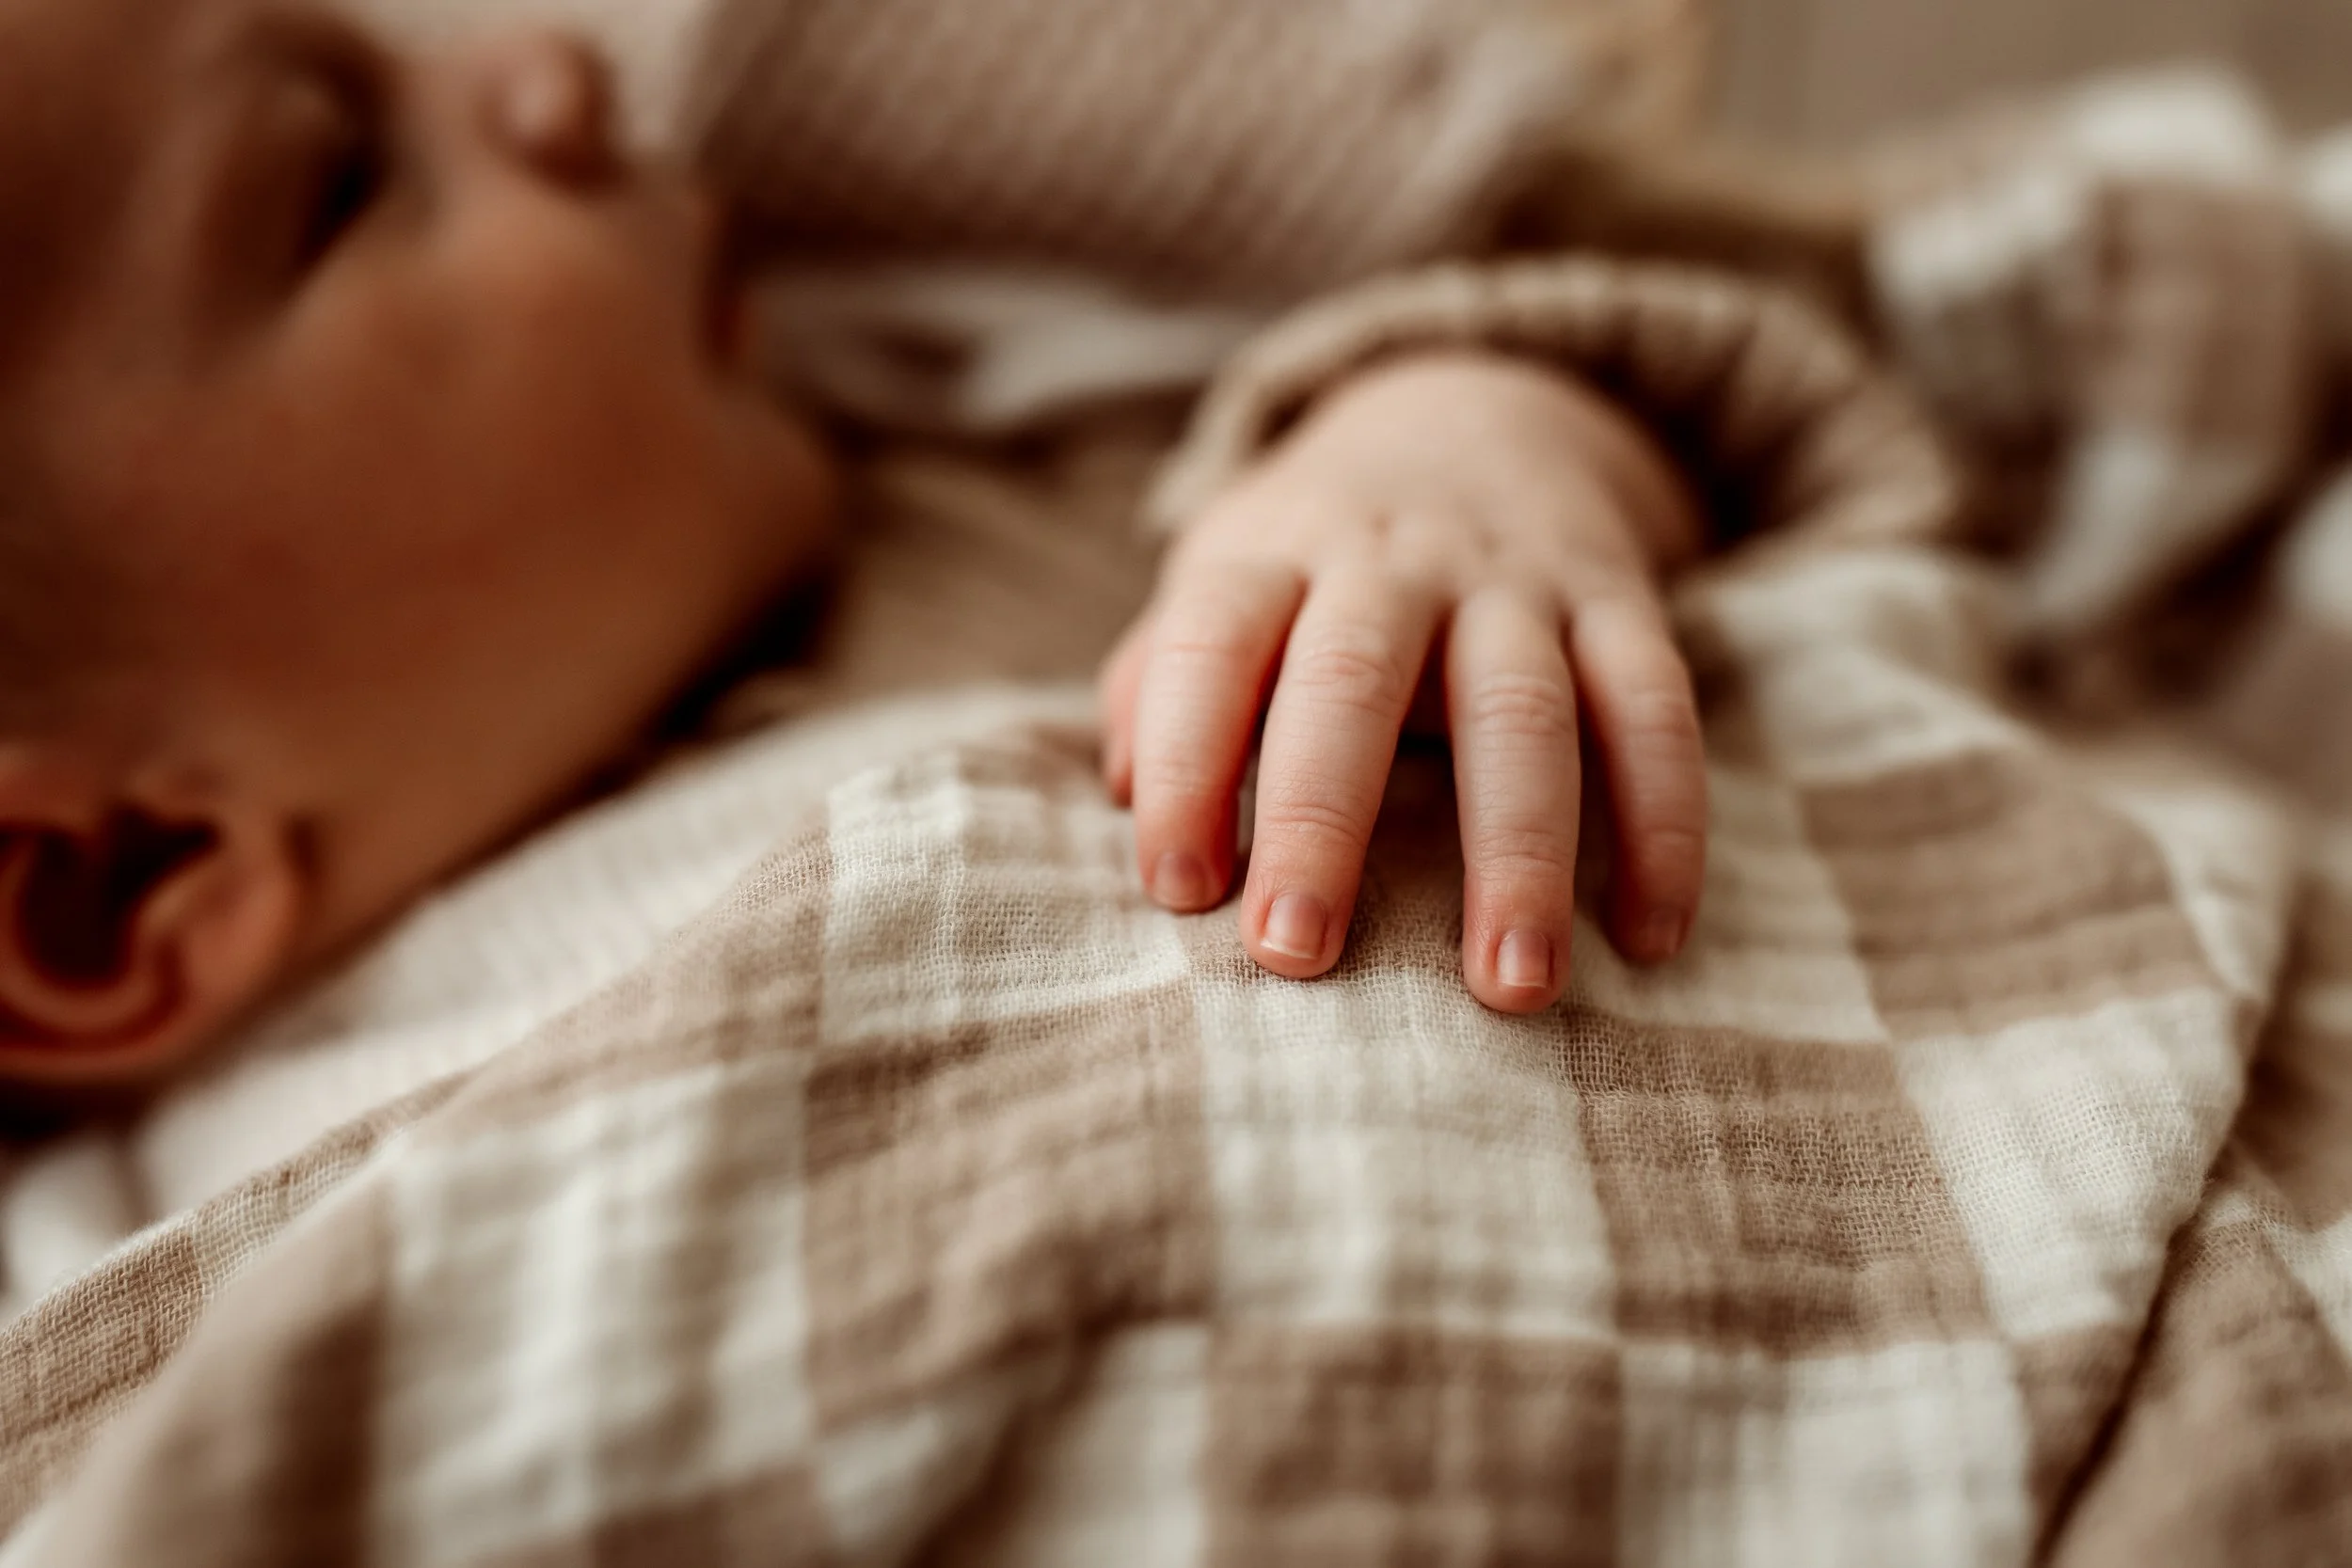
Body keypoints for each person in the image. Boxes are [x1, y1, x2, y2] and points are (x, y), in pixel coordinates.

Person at [0, 0, 1708, 1090]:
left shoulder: (979, 433)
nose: (551, 68)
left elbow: (1720, 396)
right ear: (110, 886)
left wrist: (1441, 448)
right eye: (348, 175)